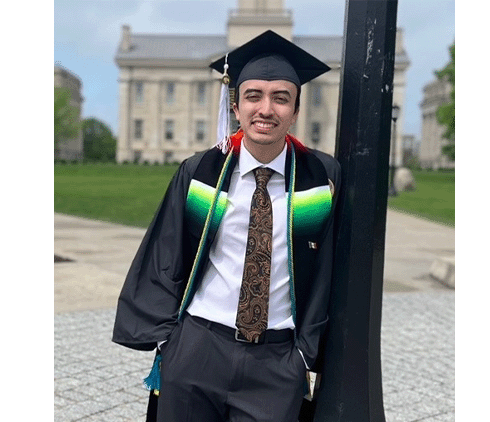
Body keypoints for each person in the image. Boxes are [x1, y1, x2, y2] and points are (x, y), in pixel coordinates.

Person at [112, 30, 341, 422]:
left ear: (295, 110)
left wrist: (304, 352)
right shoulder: (202, 172)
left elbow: (329, 272)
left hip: (277, 363)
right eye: (253, 96)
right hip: (198, 351)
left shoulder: (319, 180)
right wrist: (172, 340)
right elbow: (166, 253)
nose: (265, 109)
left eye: (280, 98)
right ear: (236, 106)